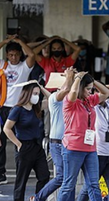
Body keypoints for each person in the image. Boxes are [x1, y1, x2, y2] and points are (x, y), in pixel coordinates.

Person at [0, 34, 35, 185]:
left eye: (16, 54)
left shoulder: (24, 67)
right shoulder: (3, 65)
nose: (13, 57)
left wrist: (20, 41)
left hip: (18, 109)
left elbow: (32, 54)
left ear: (20, 54)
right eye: (11, 55)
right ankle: (0, 174)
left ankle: (21, 172)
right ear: (7, 55)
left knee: (18, 141)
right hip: (2, 108)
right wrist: (5, 42)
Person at [57, 72, 109, 201]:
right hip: (73, 148)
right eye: (87, 89)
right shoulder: (70, 102)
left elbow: (106, 93)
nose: (90, 92)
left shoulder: (89, 101)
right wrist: (78, 78)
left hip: (90, 148)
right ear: (80, 87)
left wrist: (92, 81)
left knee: (93, 184)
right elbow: (74, 93)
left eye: (91, 89)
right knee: (69, 185)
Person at [30, 67, 75, 201]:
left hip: (69, 142)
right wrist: (70, 77)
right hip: (57, 142)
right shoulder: (55, 98)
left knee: (69, 177)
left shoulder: (70, 100)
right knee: (62, 176)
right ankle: (39, 198)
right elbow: (66, 90)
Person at [77, 84, 109, 201]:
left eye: (102, 91)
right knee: (90, 186)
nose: (100, 94)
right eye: (96, 92)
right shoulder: (90, 106)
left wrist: (101, 84)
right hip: (97, 153)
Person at [3, 80, 51, 201]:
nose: (36, 96)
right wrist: (18, 143)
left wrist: (40, 86)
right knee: (21, 180)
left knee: (44, 175)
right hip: (24, 146)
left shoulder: (37, 107)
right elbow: (7, 128)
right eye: (34, 93)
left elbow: (51, 99)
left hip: (37, 146)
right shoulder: (17, 110)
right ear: (27, 94)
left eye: (37, 94)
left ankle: (38, 198)